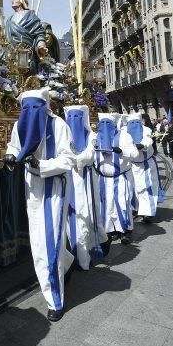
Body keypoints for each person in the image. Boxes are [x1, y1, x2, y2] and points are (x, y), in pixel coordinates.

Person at [5, 88, 75, 321]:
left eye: (35, 107)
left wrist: (40, 165)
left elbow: (68, 159)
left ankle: (54, 299)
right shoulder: (20, 124)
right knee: (40, 239)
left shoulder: (59, 126)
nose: (30, 112)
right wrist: (10, 155)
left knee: (47, 243)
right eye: (26, 108)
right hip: (32, 190)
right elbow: (15, 146)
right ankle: (67, 262)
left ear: (44, 106)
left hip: (54, 189)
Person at [78, 113, 140, 246]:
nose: (105, 127)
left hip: (121, 177)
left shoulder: (124, 136)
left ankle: (125, 231)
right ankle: (111, 230)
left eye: (109, 124)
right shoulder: (95, 138)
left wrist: (122, 152)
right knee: (107, 205)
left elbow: (135, 153)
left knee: (122, 204)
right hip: (103, 178)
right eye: (103, 124)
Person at [65, 105, 108, 269]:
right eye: (70, 117)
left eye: (77, 117)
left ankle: (84, 257)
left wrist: (72, 160)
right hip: (69, 180)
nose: (73, 121)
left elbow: (89, 155)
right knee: (71, 218)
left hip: (85, 180)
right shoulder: (64, 135)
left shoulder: (91, 135)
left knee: (85, 216)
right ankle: (74, 255)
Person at [125, 114, 160, 223]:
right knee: (134, 188)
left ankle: (148, 213)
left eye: (136, 123)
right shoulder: (124, 132)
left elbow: (148, 140)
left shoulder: (146, 129)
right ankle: (136, 208)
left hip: (146, 164)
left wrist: (143, 145)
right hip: (132, 165)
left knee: (147, 187)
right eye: (132, 123)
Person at [4, 0, 49, 73]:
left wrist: (41, 45)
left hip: (27, 53)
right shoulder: (9, 20)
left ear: (22, 1)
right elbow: (6, 37)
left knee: (28, 76)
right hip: (12, 54)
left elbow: (39, 33)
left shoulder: (31, 15)